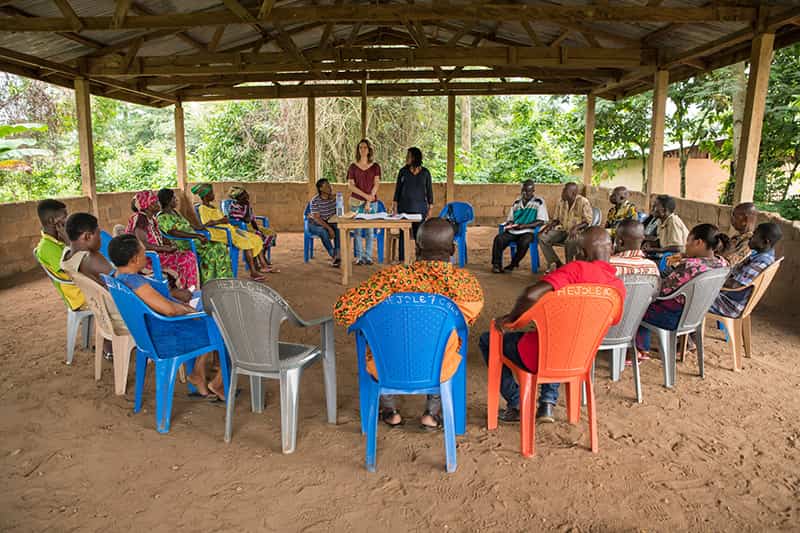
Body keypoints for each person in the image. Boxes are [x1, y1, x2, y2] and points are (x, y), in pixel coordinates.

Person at [334, 218, 484, 429]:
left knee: (374, 342)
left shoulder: (391, 278)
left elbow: (343, 311)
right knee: (443, 345)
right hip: (438, 368)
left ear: (417, 247)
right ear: (452, 249)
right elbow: (468, 322)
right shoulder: (468, 286)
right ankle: (432, 414)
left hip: (387, 366)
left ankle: (390, 411)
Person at [479, 227, 625, 424]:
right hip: (580, 358)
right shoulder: (618, 287)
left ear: (580, 252)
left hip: (541, 355)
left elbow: (531, 294)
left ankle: (517, 402)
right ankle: (547, 403)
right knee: (563, 334)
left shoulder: (577, 269)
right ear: (613, 248)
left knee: (488, 340)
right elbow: (612, 321)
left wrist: (511, 319)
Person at [108, 233, 226, 400]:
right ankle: (219, 382)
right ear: (134, 260)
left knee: (209, 309)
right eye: (143, 252)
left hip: (150, 332)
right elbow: (169, 311)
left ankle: (199, 373)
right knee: (223, 322)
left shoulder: (117, 276)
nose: (146, 255)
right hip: (165, 337)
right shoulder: (135, 282)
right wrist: (191, 311)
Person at [636, 224, 729, 351]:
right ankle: (688, 341)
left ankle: (640, 349)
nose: (686, 245)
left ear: (699, 242)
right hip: (696, 315)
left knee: (637, 308)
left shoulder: (690, 267)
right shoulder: (722, 264)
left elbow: (661, 291)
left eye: (688, 241)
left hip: (673, 317)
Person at [192, 183, 271, 280]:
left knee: (255, 238)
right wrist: (221, 221)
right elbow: (206, 224)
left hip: (229, 229)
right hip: (219, 233)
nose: (214, 195)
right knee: (246, 242)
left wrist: (224, 219)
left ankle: (260, 266)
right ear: (205, 195)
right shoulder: (202, 208)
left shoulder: (213, 207)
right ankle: (253, 272)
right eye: (212, 193)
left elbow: (220, 218)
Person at [156, 188, 233, 284]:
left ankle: (222, 279)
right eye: (174, 198)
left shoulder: (174, 213)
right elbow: (173, 232)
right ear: (168, 200)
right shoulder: (162, 217)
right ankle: (208, 281)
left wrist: (200, 228)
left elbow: (187, 225)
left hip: (192, 239)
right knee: (214, 249)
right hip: (184, 243)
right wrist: (196, 236)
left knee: (221, 246)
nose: (176, 200)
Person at [125, 190, 198, 290]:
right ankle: (188, 290)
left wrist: (167, 244)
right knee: (186, 258)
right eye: (154, 202)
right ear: (147, 206)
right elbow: (142, 245)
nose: (158, 204)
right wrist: (165, 248)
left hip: (156, 254)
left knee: (188, 256)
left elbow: (158, 238)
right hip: (147, 259)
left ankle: (187, 289)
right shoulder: (141, 219)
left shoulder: (151, 219)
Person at [709, 222, 782, 318]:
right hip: (730, 299)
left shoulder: (761, 262)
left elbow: (734, 284)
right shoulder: (763, 255)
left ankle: (690, 330)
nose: (751, 237)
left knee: (691, 295)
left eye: (755, 234)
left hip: (729, 305)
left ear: (765, 242)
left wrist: (710, 278)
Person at [34, 199, 85, 311]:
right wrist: (70, 242)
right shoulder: (47, 247)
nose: (68, 220)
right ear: (52, 220)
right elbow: (75, 268)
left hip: (85, 287)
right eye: (64, 216)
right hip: (79, 296)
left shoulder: (58, 239)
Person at [491, 180, 549, 273]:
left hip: (528, 231)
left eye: (528, 191)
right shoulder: (517, 202)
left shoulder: (539, 202)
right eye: (523, 191)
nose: (525, 193)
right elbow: (510, 218)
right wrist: (510, 224)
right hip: (514, 230)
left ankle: (513, 264)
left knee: (524, 242)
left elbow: (541, 221)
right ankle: (496, 264)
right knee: (499, 239)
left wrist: (524, 226)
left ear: (533, 191)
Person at [539, 182, 593, 269]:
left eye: (565, 190)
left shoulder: (583, 202)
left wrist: (576, 228)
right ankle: (556, 263)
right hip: (562, 229)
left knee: (570, 242)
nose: (562, 192)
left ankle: (569, 266)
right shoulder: (561, 201)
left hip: (578, 232)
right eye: (563, 190)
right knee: (542, 237)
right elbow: (556, 219)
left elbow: (587, 221)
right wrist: (549, 226)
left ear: (573, 193)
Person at [392, 147, 433, 261]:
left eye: (408, 156)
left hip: (420, 210)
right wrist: (395, 207)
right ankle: (402, 259)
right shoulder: (403, 171)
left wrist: (430, 208)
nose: (406, 158)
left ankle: (419, 258)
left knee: (419, 235)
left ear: (415, 157)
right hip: (404, 209)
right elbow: (397, 190)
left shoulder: (425, 173)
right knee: (403, 234)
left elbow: (429, 191)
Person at [347, 138, 382, 265]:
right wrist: (365, 197)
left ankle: (368, 256)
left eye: (365, 147)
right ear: (358, 150)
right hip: (356, 202)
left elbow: (376, 184)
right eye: (360, 147)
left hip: (372, 202)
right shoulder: (353, 167)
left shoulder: (375, 167)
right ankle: (360, 257)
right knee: (357, 230)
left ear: (369, 150)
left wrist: (369, 199)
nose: (363, 149)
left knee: (370, 230)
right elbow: (351, 186)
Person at [227, 186, 278, 264]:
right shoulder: (234, 206)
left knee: (271, 233)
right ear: (238, 198)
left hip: (249, 226)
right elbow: (245, 219)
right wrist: (247, 209)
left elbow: (252, 218)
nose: (247, 195)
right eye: (244, 195)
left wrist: (257, 228)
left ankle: (262, 255)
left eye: (246, 193)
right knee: (259, 235)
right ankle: (257, 260)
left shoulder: (246, 204)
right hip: (240, 227)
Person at [642, 194, 689, 258]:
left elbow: (677, 247)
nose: (652, 208)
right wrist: (650, 244)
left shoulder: (673, 221)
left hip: (678, 260)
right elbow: (661, 241)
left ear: (664, 210)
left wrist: (654, 250)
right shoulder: (660, 221)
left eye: (655, 206)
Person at [307, 178, 341, 267]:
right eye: (327, 186)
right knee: (323, 231)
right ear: (321, 189)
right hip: (314, 224)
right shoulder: (315, 201)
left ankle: (338, 253)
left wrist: (338, 199)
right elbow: (317, 219)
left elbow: (339, 213)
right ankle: (334, 255)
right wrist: (329, 229)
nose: (330, 188)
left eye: (330, 185)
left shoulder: (333, 199)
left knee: (339, 227)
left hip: (329, 221)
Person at [721, 202, 758, 266]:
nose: (732, 220)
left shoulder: (750, 243)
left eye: (735, 217)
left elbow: (728, 264)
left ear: (745, 219)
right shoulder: (738, 237)